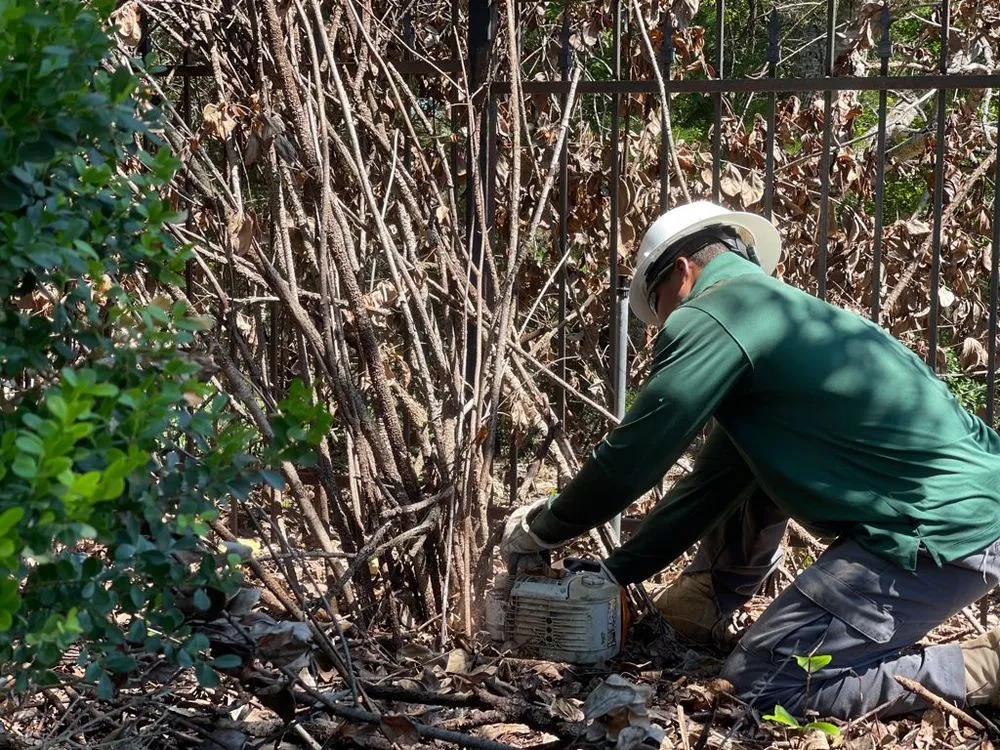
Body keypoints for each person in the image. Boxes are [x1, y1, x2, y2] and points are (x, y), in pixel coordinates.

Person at [500, 200, 1000, 720]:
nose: (666, 324)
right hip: (968, 510)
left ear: (682, 272)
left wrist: (545, 528)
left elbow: (635, 454)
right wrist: (615, 572)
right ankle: (701, 605)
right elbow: (710, 489)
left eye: (662, 307)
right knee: (749, 481)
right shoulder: (780, 320)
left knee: (764, 684)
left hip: (936, 531)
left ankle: (982, 669)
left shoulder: (715, 310)